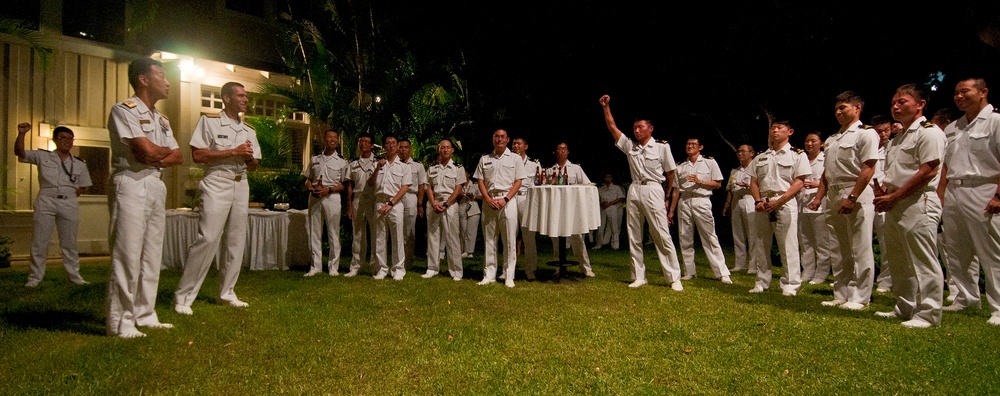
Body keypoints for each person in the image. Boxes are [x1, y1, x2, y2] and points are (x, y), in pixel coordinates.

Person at [106, 57, 183, 338]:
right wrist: (157, 151)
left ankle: (145, 313)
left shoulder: (161, 119)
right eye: (161, 75)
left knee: (152, 254)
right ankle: (121, 321)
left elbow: (178, 156)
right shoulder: (123, 110)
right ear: (143, 79)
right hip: (131, 182)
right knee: (127, 252)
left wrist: (154, 151)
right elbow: (146, 152)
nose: (167, 81)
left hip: (154, 183)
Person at [174, 81, 261, 315]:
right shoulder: (209, 122)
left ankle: (227, 292)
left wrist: (249, 159)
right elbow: (198, 154)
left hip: (240, 183)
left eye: (246, 96)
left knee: (235, 241)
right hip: (217, 181)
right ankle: (184, 296)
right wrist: (233, 151)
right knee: (208, 237)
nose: (245, 99)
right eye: (240, 95)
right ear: (227, 98)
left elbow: (254, 165)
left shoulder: (249, 130)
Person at [873, 83, 946, 328]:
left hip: (918, 200)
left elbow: (928, 170)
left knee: (923, 259)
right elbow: (897, 172)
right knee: (898, 259)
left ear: (920, 104)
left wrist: (896, 196)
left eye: (902, 101)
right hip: (895, 202)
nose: (895, 106)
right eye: (894, 102)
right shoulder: (898, 137)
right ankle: (905, 306)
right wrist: (885, 193)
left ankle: (929, 313)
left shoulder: (929, 132)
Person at [598, 95, 683, 290]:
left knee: (661, 234)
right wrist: (606, 107)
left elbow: (671, 173)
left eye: (640, 127)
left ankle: (673, 277)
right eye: (635, 128)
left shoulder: (662, 147)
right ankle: (638, 276)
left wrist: (667, 196)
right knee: (634, 234)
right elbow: (612, 128)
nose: (636, 131)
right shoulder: (631, 146)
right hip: (635, 189)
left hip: (654, 188)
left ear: (650, 129)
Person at [808, 91, 879, 310]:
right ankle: (841, 292)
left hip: (854, 190)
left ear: (857, 108)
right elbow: (826, 174)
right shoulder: (832, 139)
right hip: (834, 193)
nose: (838, 112)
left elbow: (868, 169)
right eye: (836, 108)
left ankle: (860, 296)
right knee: (839, 247)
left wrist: (852, 197)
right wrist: (819, 198)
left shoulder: (865, 134)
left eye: (843, 108)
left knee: (860, 247)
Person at [939, 78, 1000, 326]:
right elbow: (945, 166)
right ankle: (965, 297)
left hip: (984, 188)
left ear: (983, 92)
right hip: (955, 190)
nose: (959, 96)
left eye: (965, 91)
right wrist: (940, 196)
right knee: (957, 250)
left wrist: (998, 194)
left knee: (991, 252)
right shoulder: (953, 127)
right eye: (956, 92)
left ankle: (998, 307)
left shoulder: (996, 121)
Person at [15, 123, 93, 287]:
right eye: (64, 138)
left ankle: (74, 276)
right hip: (46, 199)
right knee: (40, 240)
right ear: (56, 139)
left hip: (68, 201)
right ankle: (35, 277)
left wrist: (71, 193)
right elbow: (19, 153)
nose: (68, 141)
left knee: (69, 242)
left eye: (71, 139)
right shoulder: (43, 156)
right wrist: (22, 134)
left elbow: (83, 186)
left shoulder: (79, 163)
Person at [748, 120, 811, 296]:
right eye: (773, 128)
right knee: (761, 244)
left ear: (790, 131)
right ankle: (761, 281)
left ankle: (790, 284)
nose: (775, 131)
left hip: (784, 201)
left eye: (779, 128)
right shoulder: (761, 157)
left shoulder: (797, 155)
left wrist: (780, 201)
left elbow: (799, 182)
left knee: (787, 245)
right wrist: (758, 200)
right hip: (763, 203)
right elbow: (753, 182)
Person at [669, 138, 730, 284]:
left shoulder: (709, 162)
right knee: (685, 237)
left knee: (709, 236)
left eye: (693, 144)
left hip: (701, 200)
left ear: (700, 147)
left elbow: (718, 183)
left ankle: (722, 273)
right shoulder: (680, 166)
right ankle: (689, 271)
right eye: (688, 144)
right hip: (684, 201)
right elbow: (676, 190)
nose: (690, 146)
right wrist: (671, 210)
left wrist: (700, 181)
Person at [473, 129, 526, 288]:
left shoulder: (515, 159)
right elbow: (480, 181)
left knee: (509, 240)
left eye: (503, 137)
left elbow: (518, 182)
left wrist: (505, 199)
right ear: (492, 139)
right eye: (496, 136)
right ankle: (489, 274)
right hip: (489, 200)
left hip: (507, 201)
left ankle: (509, 275)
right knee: (489, 239)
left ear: (508, 139)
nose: (499, 139)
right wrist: (488, 199)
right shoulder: (485, 159)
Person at [303, 129, 349, 277]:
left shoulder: (342, 162)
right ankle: (315, 266)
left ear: (338, 141)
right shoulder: (315, 159)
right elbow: (308, 179)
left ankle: (333, 267)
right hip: (315, 198)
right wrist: (311, 187)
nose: (332, 140)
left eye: (335, 138)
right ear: (324, 139)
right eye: (329, 137)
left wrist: (328, 190)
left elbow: (344, 185)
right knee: (314, 232)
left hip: (332, 198)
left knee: (333, 233)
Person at [546, 142, 596, 277]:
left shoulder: (575, 168)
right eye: (559, 149)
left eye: (564, 149)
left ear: (568, 152)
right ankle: (558, 266)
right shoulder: (551, 170)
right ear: (555, 152)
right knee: (556, 239)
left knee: (577, 238)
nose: (562, 151)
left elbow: (587, 184)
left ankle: (585, 267)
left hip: (573, 209)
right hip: (556, 209)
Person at [423, 139, 467, 280]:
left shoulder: (458, 168)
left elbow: (458, 188)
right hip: (434, 203)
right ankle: (432, 268)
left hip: (450, 204)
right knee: (433, 237)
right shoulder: (432, 168)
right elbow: (428, 186)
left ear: (452, 150)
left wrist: (447, 203)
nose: (445, 150)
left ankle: (456, 271)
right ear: (439, 149)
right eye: (443, 148)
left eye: (448, 148)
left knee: (452, 238)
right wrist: (433, 202)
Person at [370, 135, 412, 280]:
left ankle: (398, 270)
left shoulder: (404, 166)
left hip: (394, 204)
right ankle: (381, 269)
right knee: (380, 238)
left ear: (398, 146)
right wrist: (377, 169)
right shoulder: (378, 164)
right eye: (387, 143)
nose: (390, 146)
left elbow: (405, 187)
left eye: (393, 143)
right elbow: (370, 184)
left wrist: (391, 203)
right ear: (384, 146)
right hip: (379, 202)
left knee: (397, 238)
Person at [797, 133, 832, 285]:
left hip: (819, 204)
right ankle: (808, 271)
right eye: (807, 140)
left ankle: (822, 273)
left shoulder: (825, 159)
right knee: (805, 241)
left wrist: (817, 185)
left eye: (813, 141)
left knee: (821, 242)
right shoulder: (801, 158)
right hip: (802, 204)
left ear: (821, 143)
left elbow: (831, 180)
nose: (809, 144)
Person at [345, 134, 378, 277]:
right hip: (358, 199)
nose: (364, 144)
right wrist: (349, 206)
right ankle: (355, 266)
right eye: (361, 142)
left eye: (367, 142)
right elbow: (349, 186)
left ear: (372, 145)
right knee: (357, 234)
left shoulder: (378, 163)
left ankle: (375, 267)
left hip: (373, 200)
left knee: (376, 234)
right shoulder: (353, 164)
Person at [723, 144, 758, 274]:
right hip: (737, 200)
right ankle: (740, 263)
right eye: (739, 151)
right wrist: (727, 204)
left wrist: (749, 185)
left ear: (752, 153)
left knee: (752, 234)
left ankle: (753, 265)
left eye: (743, 151)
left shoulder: (756, 169)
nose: (740, 154)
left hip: (750, 199)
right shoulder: (735, 171)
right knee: (738, 234)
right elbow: (730, 189)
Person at [510, 137, 542, 280]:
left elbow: (539, 184)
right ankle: (508, 270)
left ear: (526, 146)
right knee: (509, 236)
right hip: (510, 198)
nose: (516, 146)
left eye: (519, 144)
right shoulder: (508, 161)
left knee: (529, 237)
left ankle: (530, 270)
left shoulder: (534, 164)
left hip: (526, 199)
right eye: (514, 143)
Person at [870, 115, 894, 293]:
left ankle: (886, 279)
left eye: (887, 130)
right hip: (866, 194)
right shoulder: (868, 147)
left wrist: (885, 189)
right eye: (879, 131)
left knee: (886, 240)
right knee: (861, 240)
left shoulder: (893, 147)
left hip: (886, 195)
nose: (884, 134)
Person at [398, 138, 427, 268]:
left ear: (410, 149)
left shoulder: (417, 165)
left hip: (411, 197)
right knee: (396, 229)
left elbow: (421, 185)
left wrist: (419, 204)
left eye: (406, 147)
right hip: (396, 197)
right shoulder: (394, 163)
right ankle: (397, 259)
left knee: (409, 231)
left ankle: (408, 261)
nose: (403, 150)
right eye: (401, 147)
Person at [595, 173, 625, 250]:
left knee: (614, 227)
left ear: (612, 179)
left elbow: (620, 198)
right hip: (603, 208)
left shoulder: (616, 188)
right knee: (600, 227)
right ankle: (599, 243)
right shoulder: (601, 189)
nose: (607, 179)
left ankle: (615, 244)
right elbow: (598, 199)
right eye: (606, 177)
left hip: (613, 207)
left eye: (609, 177)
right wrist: (602, 204)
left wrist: (610, 204)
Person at [459, 171, 481, 258]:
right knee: (463, 230)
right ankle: (463, 250)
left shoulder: (475, 185)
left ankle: (469, 251)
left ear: (468, 175)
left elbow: (482, 196)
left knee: (471, 231)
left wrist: (474, 197)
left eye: (464, 173)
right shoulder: (458, 185)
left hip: (473, 209)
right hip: (462, 208)